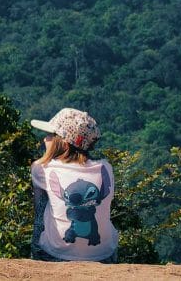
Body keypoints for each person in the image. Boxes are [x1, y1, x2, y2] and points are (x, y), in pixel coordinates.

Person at [29, 108, 118, 263]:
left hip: (56, 254)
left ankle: (41, 261)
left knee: (43, 206)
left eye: (50, 135)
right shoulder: (105, 167)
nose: (45, 139)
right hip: (104, 255)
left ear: (64, 143)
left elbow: (38, 210)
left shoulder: (42, 168)